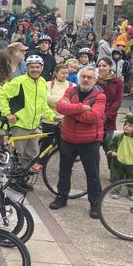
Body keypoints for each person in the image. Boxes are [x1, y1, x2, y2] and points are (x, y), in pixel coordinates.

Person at [50, 65, 107, 218]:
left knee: (92, 173)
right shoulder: (72, 90)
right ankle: (62, 197)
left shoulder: (100, 96)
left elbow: (93, 117)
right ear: (79, 77)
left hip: (89, 140)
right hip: (68, 138)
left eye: (89, 77)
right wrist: (82, 107)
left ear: (95, 80)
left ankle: (95, 203)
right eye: (83, 76)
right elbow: (60, 106)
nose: (86, 79)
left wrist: (71, 111)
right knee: (64, 170)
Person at [0, 55, 55, 166]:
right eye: (32, 67)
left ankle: (22, 181)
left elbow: (43, 104)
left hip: (34, 126)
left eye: (37, 67)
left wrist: (53, 116)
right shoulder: (19, 81)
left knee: (31, 157)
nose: (35, 70)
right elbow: (1, 95)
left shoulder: (42, 82)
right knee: (16, 157)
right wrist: (7, 113)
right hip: (19, 125)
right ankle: (12, 181)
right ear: (27, 68)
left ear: (42, 68)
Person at [106, 113, 133, 199]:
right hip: (118, 161)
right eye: (125, 125)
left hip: (132, 163)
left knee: (132, 178)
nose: (126, 127)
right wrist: (112, 151)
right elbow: (112, 146)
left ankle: (131, 192)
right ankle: (116, 191)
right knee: (117, 177)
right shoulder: (118, 137)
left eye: (130, 126)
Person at [96, 57, 124, 150]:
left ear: (110, 67)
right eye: (99, 66)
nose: (101, 68)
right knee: (94, 148)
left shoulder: (118, 81)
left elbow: (118, 100)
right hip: (95, 118)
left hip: (109, 119)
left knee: (109, 148)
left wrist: (107, 115)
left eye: (104, 65)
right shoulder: (94, 80)